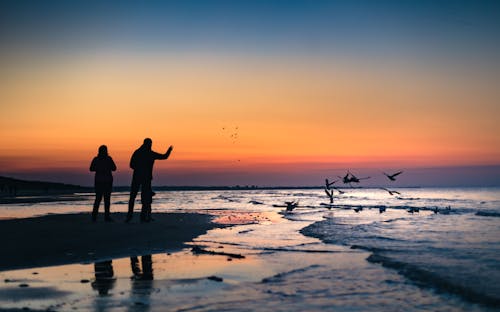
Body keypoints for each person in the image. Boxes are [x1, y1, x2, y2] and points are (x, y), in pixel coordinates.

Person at [126, 138, 173, 223]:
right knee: (143, 198)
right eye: (150, 144)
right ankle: (141, 217)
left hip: (139, 177)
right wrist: (169, 151)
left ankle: (132, 216)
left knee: (137, 197)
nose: (150, 145)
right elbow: (164, 156)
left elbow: (131, 165)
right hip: (145, 178)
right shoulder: (149, 153)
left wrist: (169, 151)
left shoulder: (138, 152)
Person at [90, 145, 117, 222]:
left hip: (102, 181)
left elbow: (114, 168)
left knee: (99, 200)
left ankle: (96, 217)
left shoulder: (98, 159)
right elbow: (91, 168)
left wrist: (99, 168)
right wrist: (102, 168)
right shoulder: (107, 159)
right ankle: (103, 217)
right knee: (104, 200)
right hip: (104, 181)